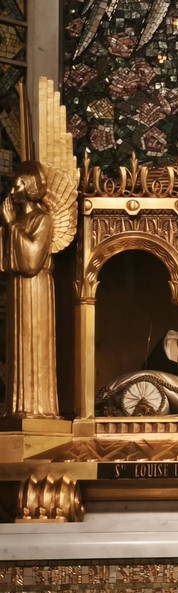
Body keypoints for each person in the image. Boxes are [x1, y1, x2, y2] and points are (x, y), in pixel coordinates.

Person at [1, 162, 58, 418]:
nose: (13, 191)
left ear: (31, 188)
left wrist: (12, 225)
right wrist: (9, 227)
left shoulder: (42, 219)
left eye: (18, 186)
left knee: (34, 344)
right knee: (17, 344)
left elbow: (31, 261)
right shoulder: (20, 220)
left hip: (35, 289)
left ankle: (38, 407)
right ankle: (17, 407)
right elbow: (7, 263)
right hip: (18, 288)